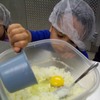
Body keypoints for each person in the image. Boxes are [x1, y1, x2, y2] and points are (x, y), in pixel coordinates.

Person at [7, 0, 96, 58]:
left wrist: (75, 59)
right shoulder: (45, 36)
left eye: (72, 42)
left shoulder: (79, 53)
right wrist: (23, 36)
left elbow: (84, 68)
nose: (63, 45)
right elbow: (29, 36)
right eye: (60, 35)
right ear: (52, 27)